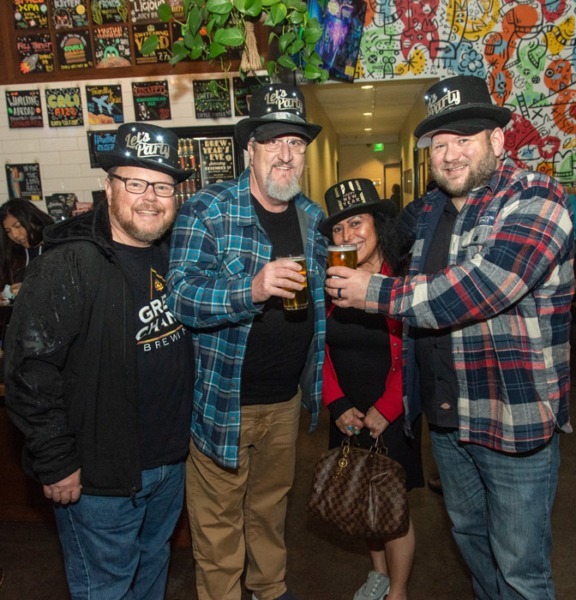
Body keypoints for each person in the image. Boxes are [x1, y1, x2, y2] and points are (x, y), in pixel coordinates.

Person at [325, 75, 574, 599]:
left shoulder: (537, 198)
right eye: (440, 144)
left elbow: (480, 289)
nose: (451, 154)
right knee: (471, 541)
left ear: (498, 140)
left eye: (464, 139)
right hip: (447, 420)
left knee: (521, 567)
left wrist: (377, 292)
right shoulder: (432, 210)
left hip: (513, 419)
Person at [4, 122, 195, 600]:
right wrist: (56, 462)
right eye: (135, 182)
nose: (150, 197)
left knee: (152, 573)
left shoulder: (175, 254)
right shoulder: (70, 263)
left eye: (163, 186)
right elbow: (30, 371)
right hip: (98, 480)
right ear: (109, 188)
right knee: (106, 589)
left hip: (169, 467)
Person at [166, 83, 327, 600]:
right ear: (249, 151)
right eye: (274, 142)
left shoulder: (312, 217)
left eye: (296, 144)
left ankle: (271, 589)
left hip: (286, 402)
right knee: (217, 530)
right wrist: (251, 288)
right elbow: (182, 298)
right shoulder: (207, 211)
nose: (286, 154)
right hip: (222, 403)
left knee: (270, 511)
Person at [320, 178, 423, 600]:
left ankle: (397, 591)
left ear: (379, 225)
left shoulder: (402, 278)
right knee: (360, 500)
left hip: (391, 413)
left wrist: (386, 408)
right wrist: (336, 402)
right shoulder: (330, 281)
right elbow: (319, 350)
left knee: (392, 509)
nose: (347, 236)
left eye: (356, 223)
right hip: (347, 413)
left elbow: (413, 354)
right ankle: (378, 573)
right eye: (338, 230)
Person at [0, 199, 54, 302]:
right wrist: (8, 293)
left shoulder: (58, 249)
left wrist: (31, 288)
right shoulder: (12, 255)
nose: (15, 235)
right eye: (8, 231)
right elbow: (6, 295)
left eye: (18, 226)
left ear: (33, 220)